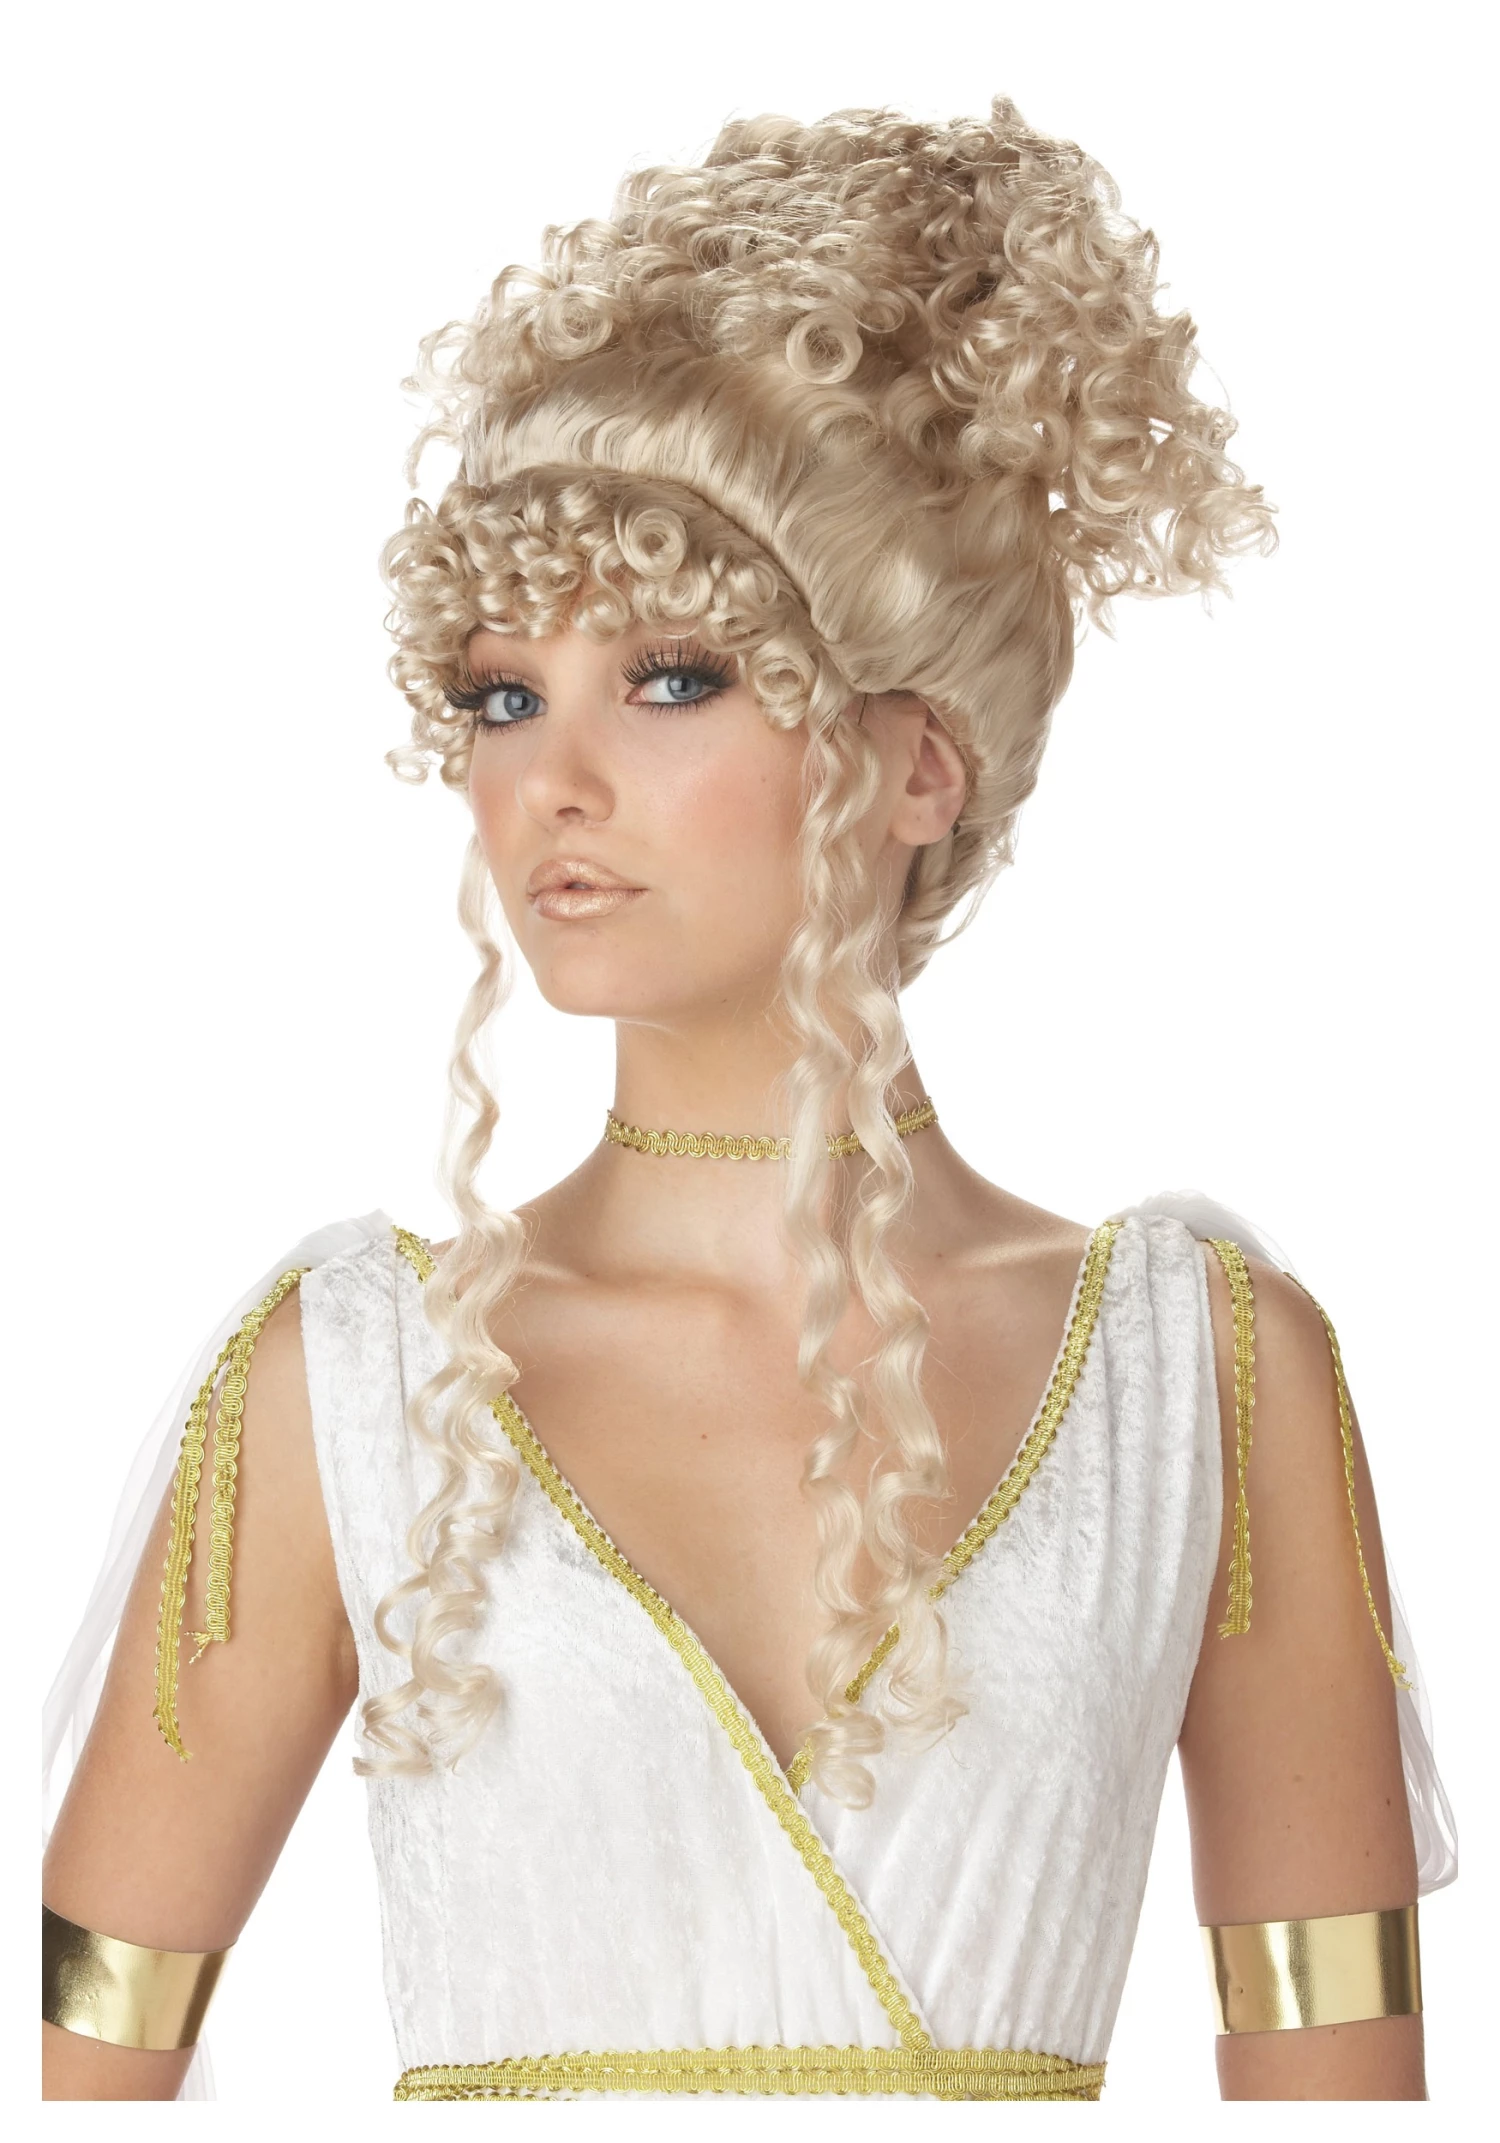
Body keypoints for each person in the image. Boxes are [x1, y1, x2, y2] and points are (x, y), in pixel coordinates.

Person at [41, 96, 1455, 2103]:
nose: (550, 785)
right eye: (503, 696)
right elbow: (68, 2087)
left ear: (917, 766)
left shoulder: (1201, 1377)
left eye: (674, 676)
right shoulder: (350, 1383)